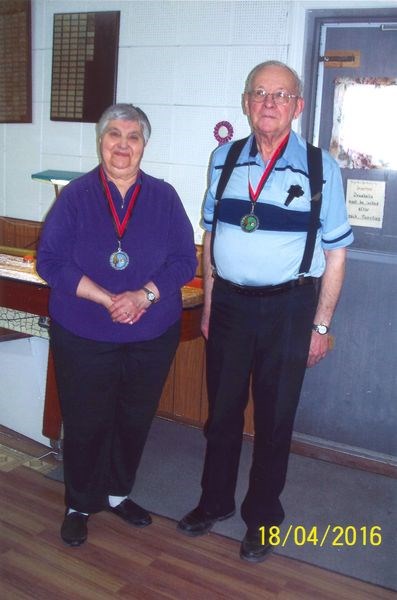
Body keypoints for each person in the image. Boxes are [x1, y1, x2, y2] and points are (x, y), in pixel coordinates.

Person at [177, 61, 353, 562]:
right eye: (259, 93)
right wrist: (210, 305)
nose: (268, 103)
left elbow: (337, 251)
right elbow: (211, 235)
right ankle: (215, 503)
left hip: (290, 308)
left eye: (280, 95)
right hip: (229, 304)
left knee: (275, 419)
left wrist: (321, 324)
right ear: (247, 102)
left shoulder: (322, 168)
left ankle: (263, 518)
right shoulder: (224, 159)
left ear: (297, 106)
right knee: (222, 413)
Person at [37, 103, 197, 547]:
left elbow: (186, 259)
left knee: (133, 416)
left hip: (149, 333)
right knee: (86, 419)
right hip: (85, 331)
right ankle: (78, 503)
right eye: (114, 135)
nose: (122, 145)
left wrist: (143, 295)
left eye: (133, 137)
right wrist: (108, 298)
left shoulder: (164, 197)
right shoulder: (75, 196)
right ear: (100, 141)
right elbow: (49, 262)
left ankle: (117, 491)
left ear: (144, 145)